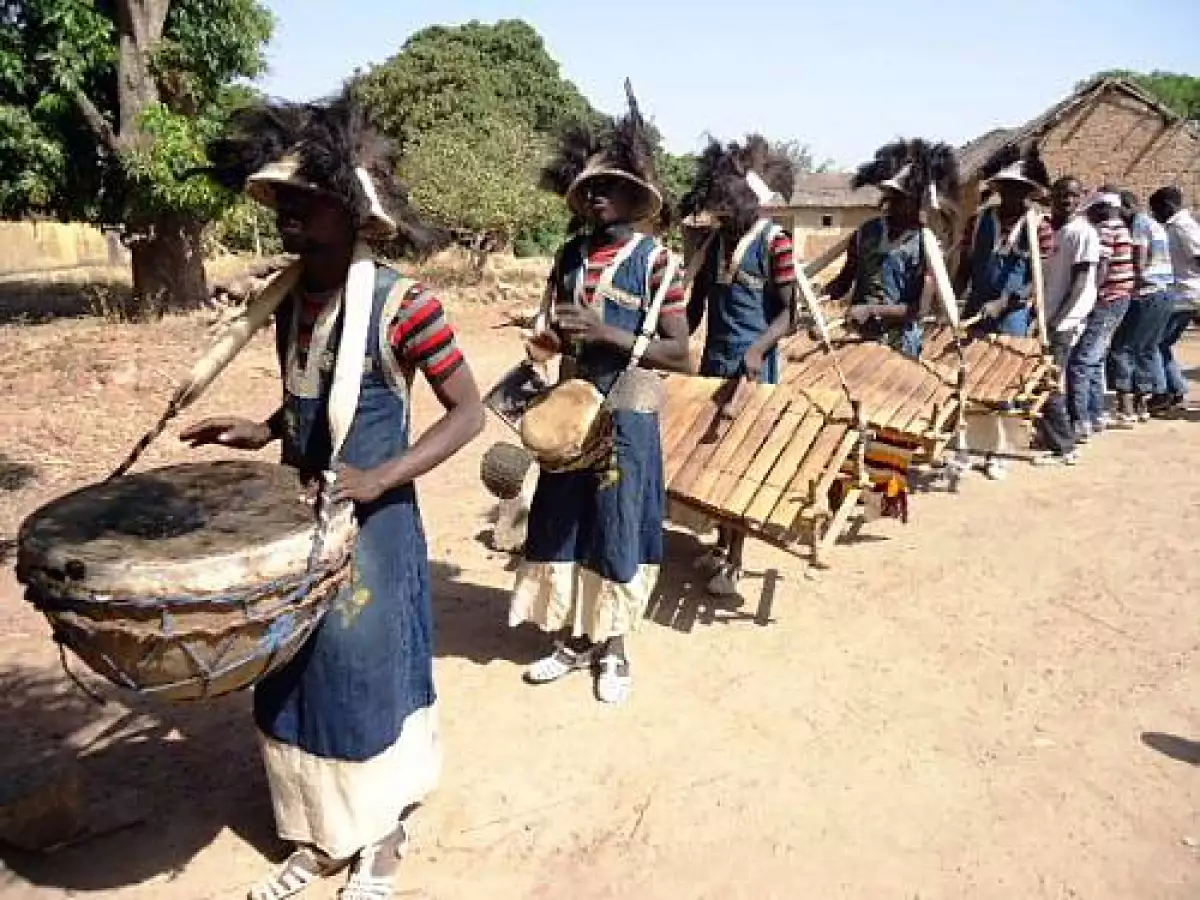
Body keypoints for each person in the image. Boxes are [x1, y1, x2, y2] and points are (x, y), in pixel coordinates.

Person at [181, 92, 485, 900]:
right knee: (292, 675)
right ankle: (321, 838)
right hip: (299, 523)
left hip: (374, 529)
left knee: (361, 676)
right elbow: (310, 395)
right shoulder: (292, 301)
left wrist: (381, 478)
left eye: (306, 200)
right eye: (282, 198)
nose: (287, 213)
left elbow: (471, 412)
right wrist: (262, 428)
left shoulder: (404, 306)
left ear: (352, 211)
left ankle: (381, 837)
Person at [508, 85, 690, 705]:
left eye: (608, 187)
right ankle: (572, 639)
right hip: (572, 409)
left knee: (614, 527)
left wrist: (608, 332)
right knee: (564, 521)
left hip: (630, 411)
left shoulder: (658, 262)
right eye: (588, 188)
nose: (595, 196)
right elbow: (553, 338)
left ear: (636, 198)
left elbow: (680, 353)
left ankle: (615, 650)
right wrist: (545, 344)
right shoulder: (568, 257)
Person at [679, 135, 798, 595]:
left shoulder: (776, 244)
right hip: (715, 360)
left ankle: (736, 558)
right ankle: (721, 541)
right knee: (711, 454)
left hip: (754, 368)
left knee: (741, 458)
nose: (722, 220)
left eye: (728, 212)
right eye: (718, 212)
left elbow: (790, 315)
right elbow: (694, 309)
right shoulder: (712, 245)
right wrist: (665, 347)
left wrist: (756, 351)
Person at [952, 143, 1054, 480]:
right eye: (1006, 188)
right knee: (972, 380)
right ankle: (969, 449)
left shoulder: (1039, 226)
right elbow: (966, 265)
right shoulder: (978, 221)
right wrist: (953, 301)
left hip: (1013, 315)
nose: (1011, 195)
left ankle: (999, 453)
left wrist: (1007, 301)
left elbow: (1039, 280)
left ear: (1028, 193)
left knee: (1006, 386)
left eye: (1018, 190)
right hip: (976, 307)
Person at [825, 139, 961, 359]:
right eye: (892, 196)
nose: (894, 203)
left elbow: (920, 309)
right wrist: (817, 299)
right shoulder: (866, 232)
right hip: (858, 338)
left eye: (902, 199)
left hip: (900, 345)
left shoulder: (926, 245)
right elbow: (844, 280)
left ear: (917, 201)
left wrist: (872, 310)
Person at [1032, 176, 1099, 467]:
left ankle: (1064, 447)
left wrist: (1059, 319)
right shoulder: (1058, 231)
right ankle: (1053, 438)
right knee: (1042, 380)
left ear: (1081, 198)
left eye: (1073, 196)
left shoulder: (1082, 233)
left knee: (1046, 382)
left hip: (1064, 320)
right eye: (1062, 195)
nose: (1067, 201)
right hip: (1050, 317)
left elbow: (1081, 280)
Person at [1066, 189, 1134, 441]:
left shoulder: (1106, 228)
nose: (1091, 214)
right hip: (1120, 297)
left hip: (1107, 299)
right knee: (1095, 359)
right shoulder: (1122, 227)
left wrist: (1088, 297)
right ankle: (1095, 415)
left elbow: (1102, 267)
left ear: (1103, 209)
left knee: (1080, 361)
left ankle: (1080, 420)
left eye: (1094, 209)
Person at [1108, 190, 1175, 423]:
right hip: (1165, 293)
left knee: (1121, 347)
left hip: (1146, 293)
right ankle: (1141, 406)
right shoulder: (1155, 224)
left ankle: (1126, 408)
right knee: (1145, 348)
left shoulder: (1138, 225)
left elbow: (1139, 262)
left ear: (1127, 206)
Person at [1149, 186, 1200, 413]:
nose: (1154, 215)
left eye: (1155, 210)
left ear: (1167, 207)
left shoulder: (1183, 227)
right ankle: (1175, 388)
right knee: (1161, 343)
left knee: (1154, 343)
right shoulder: (1175, 226)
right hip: (1181, 294)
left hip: (1186, 295)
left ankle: (1164, 393)